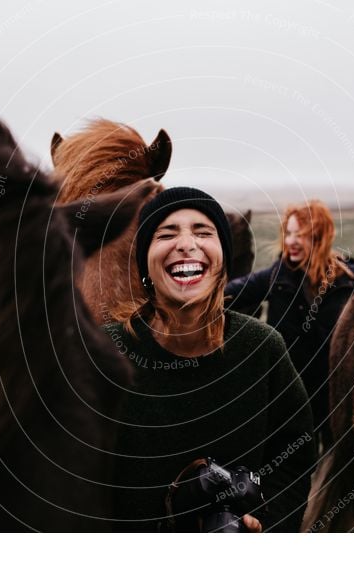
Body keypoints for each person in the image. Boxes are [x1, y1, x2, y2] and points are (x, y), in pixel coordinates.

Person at [104, 187, 314, 533]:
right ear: (145, 263)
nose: (186, 244)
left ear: (222, 262)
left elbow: (295, 455)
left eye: (203, 232)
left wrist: (266, 527)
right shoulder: (101, 352)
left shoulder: (262, 349)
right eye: (167, 234)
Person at [225, 201, 354, 451]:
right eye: (288, 234)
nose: (291, 242)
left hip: (333, 392)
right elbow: (230, 294)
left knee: (337, 463)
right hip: (288, 393)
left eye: (300, 235)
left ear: (320, 237)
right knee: (290, 460)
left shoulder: (349, 281)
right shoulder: (276, 275)